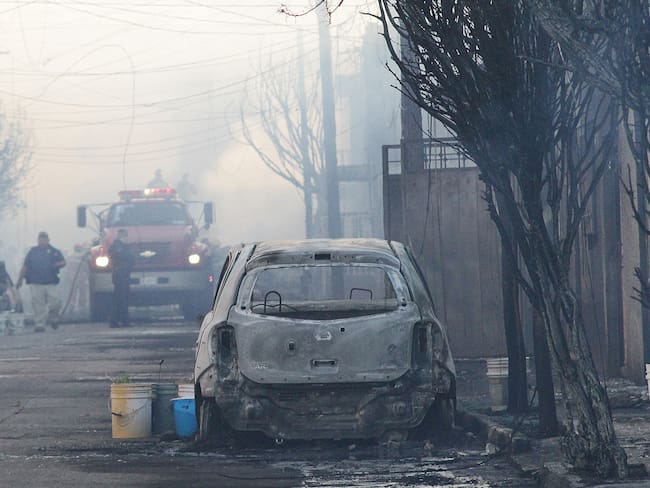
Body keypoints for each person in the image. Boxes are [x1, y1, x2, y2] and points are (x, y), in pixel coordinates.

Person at [16, 232, 66, 332]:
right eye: (41, 239)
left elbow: (63, 262)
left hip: (51, 282)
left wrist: (58, 264)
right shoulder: (32, 252)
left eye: (44, 239)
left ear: (48, 240)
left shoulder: (54, 251)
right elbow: (25, 266)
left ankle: (54, 319)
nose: (42, 241)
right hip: (36, 282)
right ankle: (40, 324)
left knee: (55, 302)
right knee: (38, 304)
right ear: (38, 240)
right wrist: (20, 280)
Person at [109, 229, 134, 328]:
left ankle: (119, 320)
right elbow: (125, 256)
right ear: (119, 236)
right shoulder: (116, 246)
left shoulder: (124, 246)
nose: (126, 237)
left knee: (123, 297)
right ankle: (119, 321)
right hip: (120, 273)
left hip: (125, 273)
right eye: (124, 235)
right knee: (120, 298)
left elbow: (132, 258)